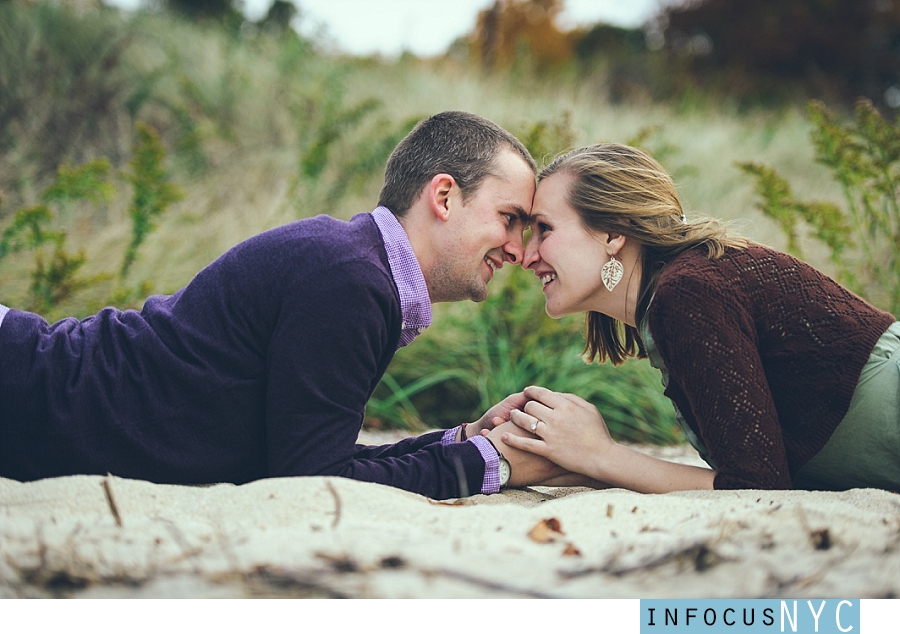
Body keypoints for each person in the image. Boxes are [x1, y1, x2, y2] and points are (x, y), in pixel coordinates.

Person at [0, 111, 563, 499]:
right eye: (509, 218)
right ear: (444, 196)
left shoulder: (355, 265)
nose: (518, 250)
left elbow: (308, 455)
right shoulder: (350, 281)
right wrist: (493, 466)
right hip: (28, 389)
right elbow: (310, 482)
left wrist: (462, 441)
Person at [498, 142, 900, 492]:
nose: (527, 255)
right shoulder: (674, 295)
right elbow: (752, 475)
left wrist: (601, 455)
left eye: (544, 229)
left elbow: (755, 487)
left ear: (612, 234)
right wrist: (569, 460)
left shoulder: (687, 293)